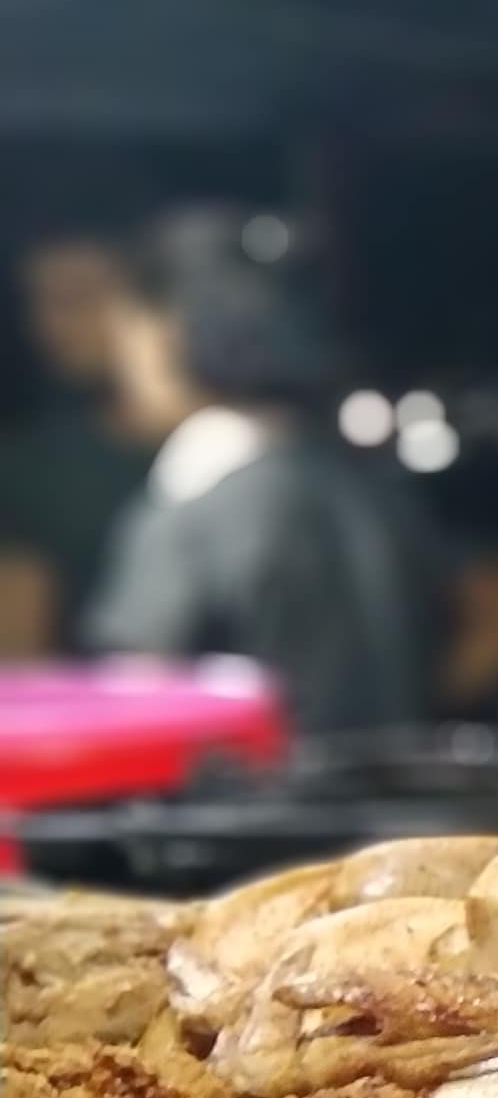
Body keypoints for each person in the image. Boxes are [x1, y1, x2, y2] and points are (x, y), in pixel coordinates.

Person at [86, 205, 444, 737]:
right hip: (396, 804)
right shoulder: (370, 487)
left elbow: (135, 701)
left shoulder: (198, 494)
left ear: (169, 333)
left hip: (257, 813)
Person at [0, 234, 147, 662]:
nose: (52, 324)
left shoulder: (221, 448)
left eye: (80, 296)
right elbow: (17, 653)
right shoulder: (30, 465)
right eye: (39, 300)